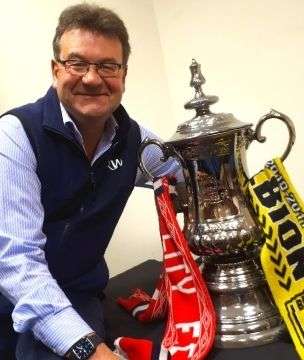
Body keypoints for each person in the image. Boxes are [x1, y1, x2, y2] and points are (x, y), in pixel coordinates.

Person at [0, 3, 179, 359]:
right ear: (56, 70)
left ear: (124, 74)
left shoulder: (137, 140)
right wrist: (93, 352)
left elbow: (184, 176)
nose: (93, 78)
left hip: (77, 294)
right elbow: (19, 262)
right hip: (8, 297)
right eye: (77, 63)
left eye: (107, 66)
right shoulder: (15, 135)